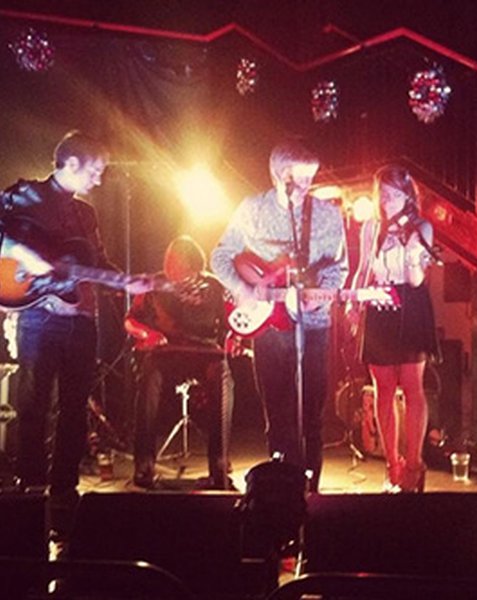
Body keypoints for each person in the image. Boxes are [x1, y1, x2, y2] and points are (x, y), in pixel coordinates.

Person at [0, 130, 149, 542]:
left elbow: (96, 262)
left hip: (82, 319)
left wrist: (127, 281)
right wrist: (21, 252)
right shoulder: (27, 195)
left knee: (74, 409)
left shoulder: (86, 214)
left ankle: (64, 494)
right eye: (96, 170)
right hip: (38, 316)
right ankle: (31, 492)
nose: (99, 179)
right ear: (70, 163)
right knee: (33, 406)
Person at [210, 139, 348, 492]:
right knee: (277, 412)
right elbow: (220, 256)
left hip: (313, 325)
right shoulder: (251, 209)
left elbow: (339, 268)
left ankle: (310, 491)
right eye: (299, 178)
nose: (306, 186)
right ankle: (279, 491)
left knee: (312, 414)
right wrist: (242, 289)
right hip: (268, 327)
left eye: (311, 177)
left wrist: (318, 299)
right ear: (277, 175)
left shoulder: (328, 214)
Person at [347, 165, 439, 493]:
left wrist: (413, 252)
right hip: (378, 303)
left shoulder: (421, 226)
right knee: (383, 388)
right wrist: (354, 301)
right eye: (381, 194)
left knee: (412, 386)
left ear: (406, 195)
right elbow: (363, 267)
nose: (385, 201)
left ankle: (414, 463)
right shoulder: (372, 226)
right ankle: (392, 464)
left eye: (392, 194)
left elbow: (416, 280)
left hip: (410, 304)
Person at [125, 235, 234, 490]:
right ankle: (144, 466)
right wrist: (148, 334)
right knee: (149, 377)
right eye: (168, 260)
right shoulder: (154, 284)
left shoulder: (214, 286)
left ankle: (219, 466)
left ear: (193, 263)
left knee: (223, 377)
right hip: (166, 354)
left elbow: (233, 320)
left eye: (176, 262)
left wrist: (234, 339)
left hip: (205, 354)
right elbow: (130, 320)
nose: (170, 266)